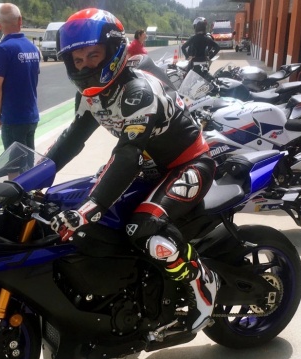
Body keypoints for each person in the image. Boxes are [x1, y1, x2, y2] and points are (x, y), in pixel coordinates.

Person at [47, 8, 218, 333]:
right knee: (85, 213)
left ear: (113, 53)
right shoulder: (89, 95)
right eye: (77, 60)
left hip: (188, 164)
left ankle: (201, 282)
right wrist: (30, 178)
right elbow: (71, 140)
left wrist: (87, 210)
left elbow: (126, 156)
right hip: (147, 167)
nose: (85, 66)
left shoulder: (138, 91)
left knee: (143, 230)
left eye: (93, 56)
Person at [0, 3, 40, 151]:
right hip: (31, 117)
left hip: (13, 119)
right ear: (20, 20)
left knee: (15, 168)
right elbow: (29, 82)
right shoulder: (33, 48)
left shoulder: (3, 49)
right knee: (29, 165)